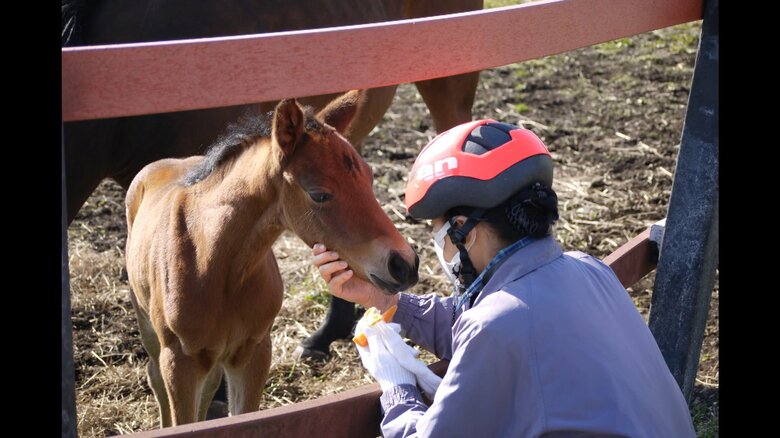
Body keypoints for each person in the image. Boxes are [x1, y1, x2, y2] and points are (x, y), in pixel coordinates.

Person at [312, 119, 696, 437]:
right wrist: (387, 303)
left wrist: (396, 388)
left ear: (464, 231)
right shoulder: (588, 270)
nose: (436, 244)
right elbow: (504, 330)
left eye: (437, 230)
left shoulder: (497, 325)